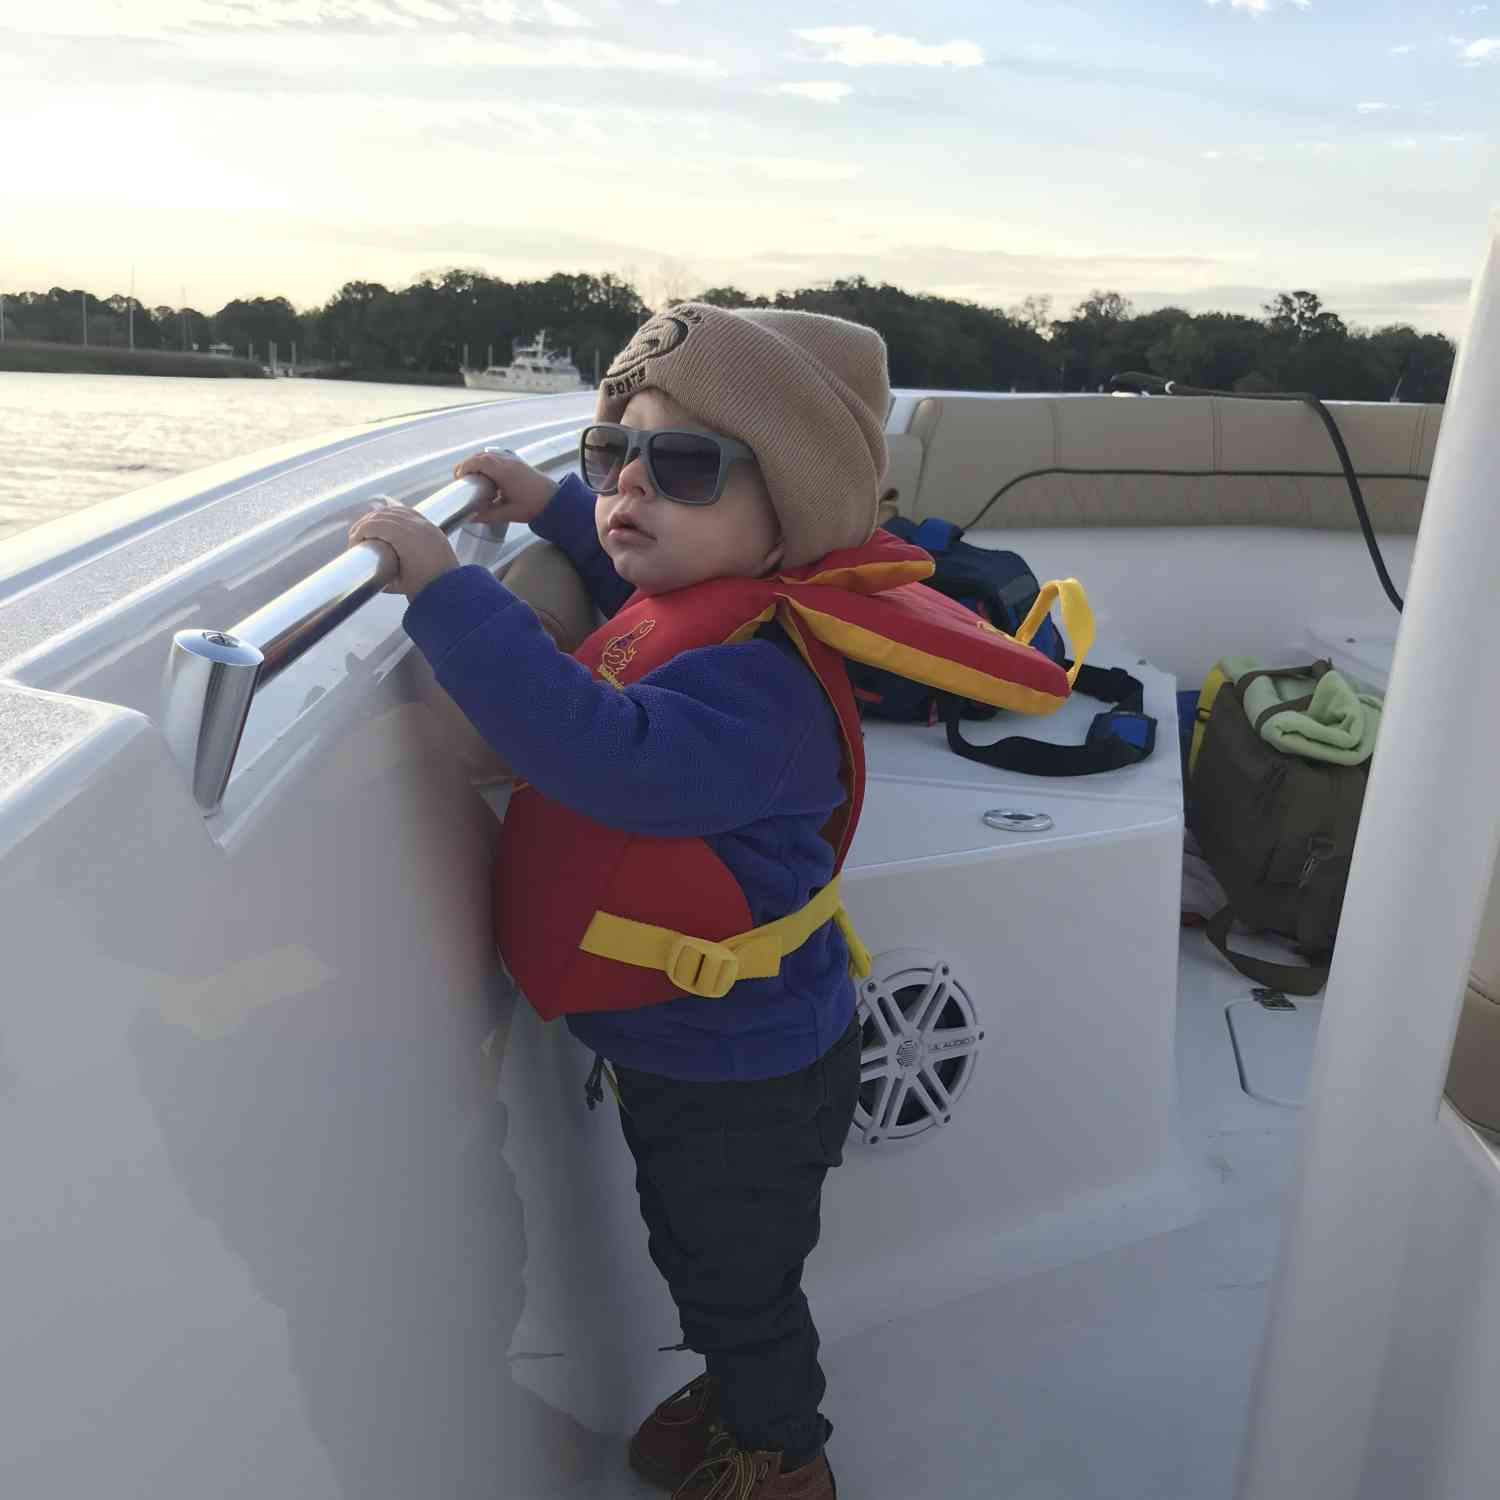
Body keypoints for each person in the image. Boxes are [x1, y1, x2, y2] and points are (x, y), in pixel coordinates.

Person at [346, 302, 898, 1500]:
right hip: (706, 1045)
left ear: (785, 517)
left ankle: (782, 1454)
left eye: (684, 464)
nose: (631, 486)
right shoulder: (711, 596)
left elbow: (597, 747)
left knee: (734, 1276)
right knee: (709, 1250)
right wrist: (546, 508)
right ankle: (739, 1383)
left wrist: (447, 592)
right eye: (613, 454)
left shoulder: (763, 692)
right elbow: (634, 583)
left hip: (745, 1066)